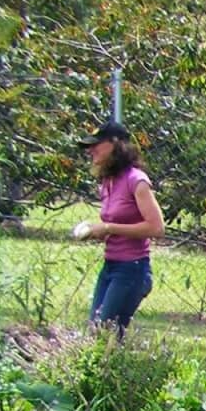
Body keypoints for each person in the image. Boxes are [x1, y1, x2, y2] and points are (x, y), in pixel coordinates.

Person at [73, 121, 165, 341]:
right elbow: (118, 221)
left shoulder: (136, 180)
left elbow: (156, 227)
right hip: (110, 266)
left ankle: (113, 373)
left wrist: (108, 227)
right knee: (96, 331)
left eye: (96, 144)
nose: (90, 150)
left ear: (116, 144)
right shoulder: (108, 181)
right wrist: (99, 231)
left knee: (107, 335)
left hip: (132, 270)